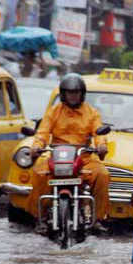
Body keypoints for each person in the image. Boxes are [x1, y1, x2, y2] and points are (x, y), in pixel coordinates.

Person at [28, 73, 111, 231]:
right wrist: (37, 146)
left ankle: (98, 218)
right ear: (63, 94)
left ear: (82, 94)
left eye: (76, 93)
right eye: (69, 93)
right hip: (57, 157)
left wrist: (101, 146)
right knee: (39, 173)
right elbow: (43, 133)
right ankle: (40, 217)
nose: (73, 96)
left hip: (83, 157)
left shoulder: (92, 113)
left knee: (102, 175)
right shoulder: (53, 112)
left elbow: (99, 133)